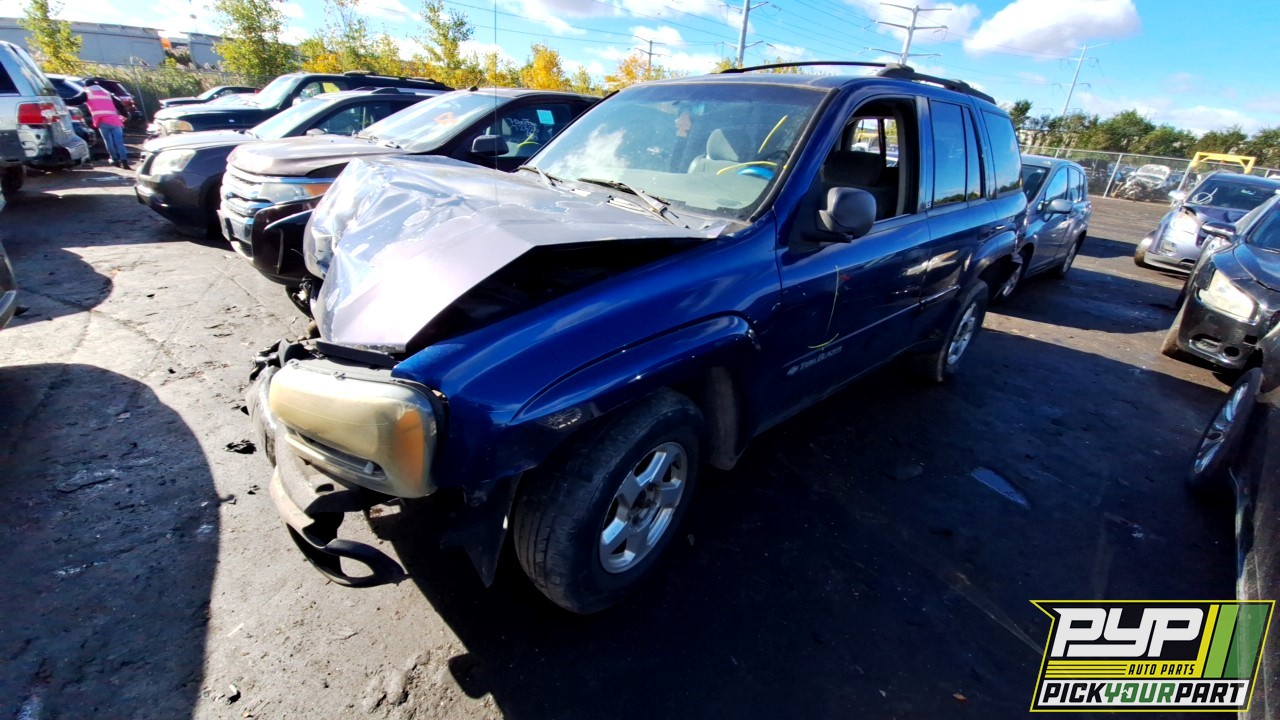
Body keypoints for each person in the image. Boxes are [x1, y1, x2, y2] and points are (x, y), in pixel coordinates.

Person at [84, 84, 128, 168]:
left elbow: (74, 100)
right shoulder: (107, 93)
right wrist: (124, 114)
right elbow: (119, 104)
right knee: (119, 143)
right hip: (115, 120)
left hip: (102, 121)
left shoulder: (87, 93)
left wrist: (62, 100)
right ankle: (124, 161)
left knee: (108, 141)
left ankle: (114, 160)